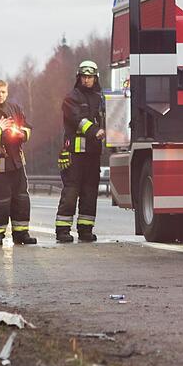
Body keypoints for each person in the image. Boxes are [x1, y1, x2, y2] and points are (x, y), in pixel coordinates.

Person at [55, 60, 105, 243]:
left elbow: (106, 120)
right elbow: (78, 119)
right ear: (79, 78)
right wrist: (95, 131)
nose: (86, 80)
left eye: (90, 77)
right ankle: (62, 230)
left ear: (95, 78)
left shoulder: (100, 98)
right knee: (71, 192)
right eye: (84, 76)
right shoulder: (71, 98)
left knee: (90, 193)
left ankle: (85, 230)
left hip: (92, 154)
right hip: (74, 154)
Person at [0, 79, 36, 245]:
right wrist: (2, 135)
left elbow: (27, 126)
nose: (0, 95)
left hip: (17, 162)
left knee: (21, 197)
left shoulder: (14, 108)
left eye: (3, 92)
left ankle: (21, 232)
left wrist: (22, 134)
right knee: (0, 200)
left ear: (7, 92)